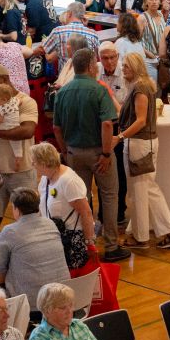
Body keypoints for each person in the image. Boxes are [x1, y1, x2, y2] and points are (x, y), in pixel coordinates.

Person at [51, 50, 128, 262]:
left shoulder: (63, 92)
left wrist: (65, 151)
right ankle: (111, 246)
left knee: (80, 198)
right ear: (91, 66)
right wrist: (106, 153)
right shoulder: (99, 89)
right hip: (98, 151)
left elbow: (56, 127)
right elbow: (107, 124)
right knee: (109, 195)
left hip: (74, 152)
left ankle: (85, 244)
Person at [115, 53, 170, 249]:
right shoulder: (144, 86)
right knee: (149, 188)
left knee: (138, 191)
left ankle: (140, 237)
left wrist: (120, 137)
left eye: (126, 66)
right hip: (146, 143)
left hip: (138, 143)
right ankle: (169, 232)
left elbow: (140, 120)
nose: (123, 69)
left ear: (135, 67)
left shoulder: (140, 88)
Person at [0, 188, 69, 310]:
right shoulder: (50, 224)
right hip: (62, 299)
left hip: (32, 305)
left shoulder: (10, 231)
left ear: (16, 209)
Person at [0, 65, 39, 225]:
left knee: (28, 221)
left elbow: (27, 131)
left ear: (5, 80)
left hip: (22, 171)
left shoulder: (26, 102)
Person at [138, 0, 166, 82]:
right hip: (148, 61)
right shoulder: (142, 18)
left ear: (160, 1)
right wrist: (150, 55)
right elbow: (135, 42)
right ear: (146, 1)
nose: (154, 2)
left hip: (161, 60)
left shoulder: (161, 15)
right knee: (152, 88)